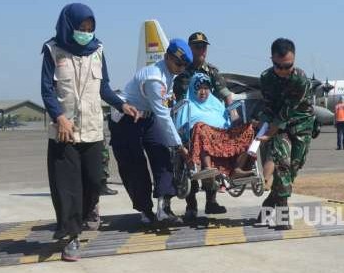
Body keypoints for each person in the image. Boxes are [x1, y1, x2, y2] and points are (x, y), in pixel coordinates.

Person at [41, 3, 139, 261]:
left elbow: (104, 87)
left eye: (89, 28)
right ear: (69, 25)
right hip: (66, 130)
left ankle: (81, 217)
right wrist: (59, 117)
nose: (85, 32)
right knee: (68, 187)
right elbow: (46, 90)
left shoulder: (97, 50)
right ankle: (72, 237)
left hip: (93, 129)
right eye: (81, 28)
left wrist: (122, 104)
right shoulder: (53, 50)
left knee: (95, 180)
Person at [109, 39, 192, 225]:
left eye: (184, 65)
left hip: (148, 116)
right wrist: (179, 146)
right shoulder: (154, 78)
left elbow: (163, 106)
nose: (181, 68)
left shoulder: (171, 73)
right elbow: (163, 115)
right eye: (178, 63)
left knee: (162, 154)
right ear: (166, 57)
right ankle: (146, 211)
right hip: (127, 119)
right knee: (135, 166)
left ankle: (164, 208)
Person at [175, 73, 255, 220]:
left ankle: (237, 169)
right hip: (199, 138)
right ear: (193, 89)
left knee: (248, 128)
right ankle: (192, 204)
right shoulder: (187, 104)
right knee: (201, 127)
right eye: (199, 88)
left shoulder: (216, 104)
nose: (203, 91)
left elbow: (228, 123)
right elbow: (180, 128)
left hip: (220, 138)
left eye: (206, 88)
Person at [256, 38, 315, 230]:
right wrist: (263, 126)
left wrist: (269, 130)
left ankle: (268, 205)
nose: (282, 71)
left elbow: (287, 111)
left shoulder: (300, 79)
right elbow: (268, 106)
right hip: (278, 128)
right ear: (271, 59)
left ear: (294, 60)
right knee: (282, 166)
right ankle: (282, 215)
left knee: (293, 169)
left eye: (287, 66)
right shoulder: (266, 78)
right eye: (277, 66)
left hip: (300, 124)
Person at [173, 32, 232, 217]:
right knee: (186, 158)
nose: (201, 50)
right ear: (189, 48)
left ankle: (211, 201)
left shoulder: (212, 71)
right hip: (189, 118)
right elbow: (177, 98)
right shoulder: (181, 71)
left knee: (216, 146)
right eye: (197, 46)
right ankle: (191, 205)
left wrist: (233, 110)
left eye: (204, 47)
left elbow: (225, 94)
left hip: (210, 117)